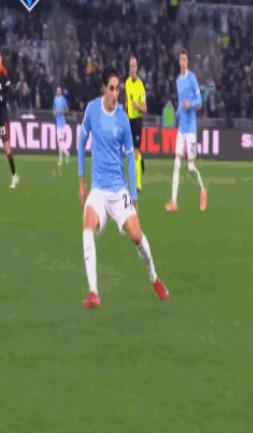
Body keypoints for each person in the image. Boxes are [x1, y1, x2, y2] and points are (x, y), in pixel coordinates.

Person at [78, 66, 169, 308]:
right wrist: (81, 181)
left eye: (118, 89)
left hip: (119, 191)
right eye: (112, 88)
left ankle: (155, 279)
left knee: (137, 236)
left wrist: (133, 197)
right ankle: (94, 292)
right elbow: (81, 141)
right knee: (87, 226)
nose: (115, 93)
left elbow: (130, 158)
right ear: (103, 89)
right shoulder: (92, 110)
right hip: (98, 190)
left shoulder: (123, 119)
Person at [166, 49, 207, 212]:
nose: (183, 62)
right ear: (179, 62)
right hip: (181, 128)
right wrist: (176, 114)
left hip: (191, 129)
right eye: (181, 60)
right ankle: (173, 202)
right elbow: (181, 103)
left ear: (187, 61)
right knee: (176, 163)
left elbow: (200, 101)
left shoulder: (192, 78)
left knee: (190, 167)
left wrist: (191, 104)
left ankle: (202, 189)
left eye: (185, 59)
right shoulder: (178, 81)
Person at [124, 56, 147, 192]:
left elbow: (145, 108)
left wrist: (137, 105)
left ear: (137, 68)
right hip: (129, 120)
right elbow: (127, 100)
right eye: (130, 66)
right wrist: (126, 105)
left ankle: (137, 184)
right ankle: (140, 162)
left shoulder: (140, 85)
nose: (132, 69)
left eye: (134, 66)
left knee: (135, 152)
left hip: (137, 120)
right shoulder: (127, 83)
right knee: (131, 153)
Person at [0, 52, 19, 188]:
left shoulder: (4, 74)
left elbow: (9, 93)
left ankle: (14, 175)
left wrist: (3, 99)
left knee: (7, 148)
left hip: (2, 118)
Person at [53, 86, 70, 166]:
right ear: (56, 91)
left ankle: (60, 159)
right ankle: (66, 153)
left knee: (61, 140)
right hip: (57, 121)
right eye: (58, 90)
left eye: (60, 90)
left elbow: (67, 109)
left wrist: (61, 111)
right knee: (60, 141)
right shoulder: (55, 99)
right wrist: (54, 112)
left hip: (62, 122)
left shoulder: (63, 99)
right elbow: (54, 109)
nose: (59, 91)